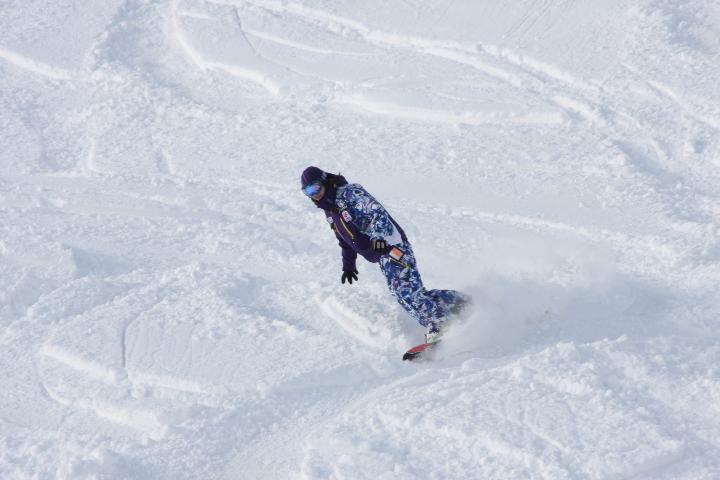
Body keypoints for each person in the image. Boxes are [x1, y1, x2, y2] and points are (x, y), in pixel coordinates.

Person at [300, 166, 469, 343]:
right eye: (308, 191)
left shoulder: (349, 193)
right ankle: (459, 302)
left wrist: (379, 238)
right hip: (381, 254)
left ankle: (438, 322)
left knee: (405, 291)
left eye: (315, 188)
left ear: (324, 181)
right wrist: (348, 264)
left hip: (391, 246)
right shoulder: (330, 210)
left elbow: (376, 212)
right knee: (404, 292)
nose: (313, 194)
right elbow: (344, 240)